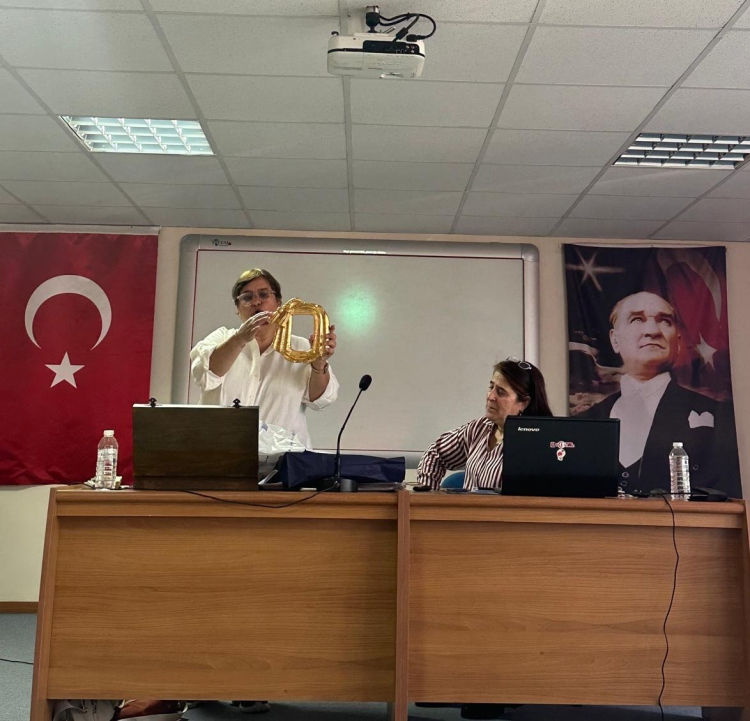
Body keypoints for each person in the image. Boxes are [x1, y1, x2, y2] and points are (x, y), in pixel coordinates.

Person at [581, 291, 740, 497]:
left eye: (665, 321)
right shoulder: (585, 422)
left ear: (679, 342)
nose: (652, 331)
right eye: (637, 319)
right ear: (615, 339)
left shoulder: (719, 418)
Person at [190, 268, 339, 450]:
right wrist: (240, 339)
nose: (256, 302)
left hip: (282, 461)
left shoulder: (302, 347)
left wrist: (319, 365)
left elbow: (320, 400)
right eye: (247, 297)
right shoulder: (220, 339)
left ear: (279, 304)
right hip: (221, 455)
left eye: (264, 294)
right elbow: (206, 374)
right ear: (238, 310)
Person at [417, 358, 553, 491]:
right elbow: (435, 454)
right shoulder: (479, 428)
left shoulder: (539, 444)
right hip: (467, 507)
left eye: (501, 392)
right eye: (491, 387)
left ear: (524, 402)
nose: (490, 396)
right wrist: (427, 495)